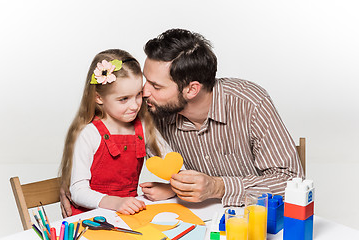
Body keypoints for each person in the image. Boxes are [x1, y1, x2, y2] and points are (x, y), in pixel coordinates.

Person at [139, 28, 304, 206]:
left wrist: (218, 187)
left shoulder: (250, 103)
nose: (144, 92)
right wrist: (175, 188)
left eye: (156, 86)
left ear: (192, 89)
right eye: (145, 80)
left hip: (258, 218)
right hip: (203, 217)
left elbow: (291, 182)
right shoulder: (153, 109)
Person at [59, 49, 171, 216]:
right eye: (123, 99)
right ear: (99, 98)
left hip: (128, 215)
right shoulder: (89, 134)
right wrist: (116, 202)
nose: (135, 105)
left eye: (138, 95)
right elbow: (78, 190)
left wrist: (171, 189)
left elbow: (172, 162)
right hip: (91, 218)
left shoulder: (145, 127)